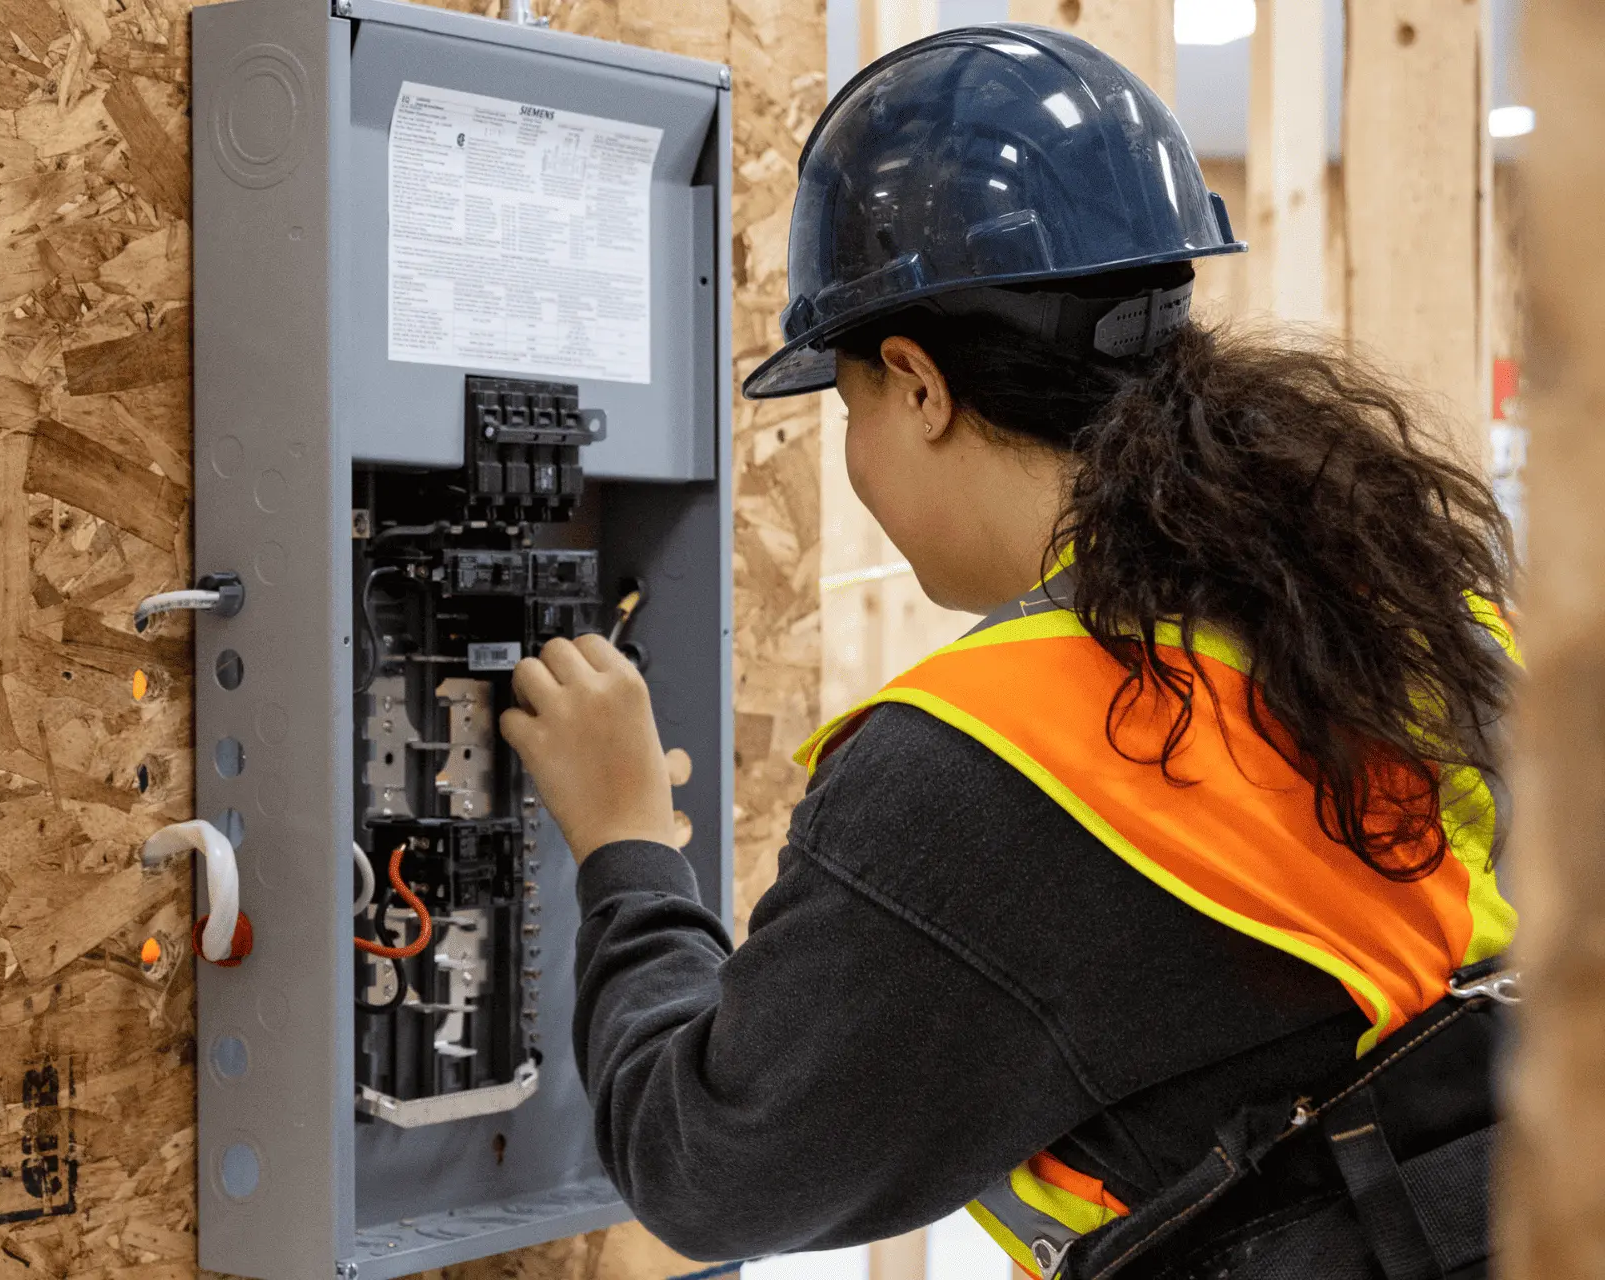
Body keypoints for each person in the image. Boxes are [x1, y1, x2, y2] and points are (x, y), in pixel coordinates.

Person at [498, 24, 1518, 1280]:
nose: (859, 454)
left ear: (919, 385)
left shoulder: (1001, 758)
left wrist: (623, 842)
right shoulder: (1391, 607)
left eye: (851, 401)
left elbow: (708, 1167)